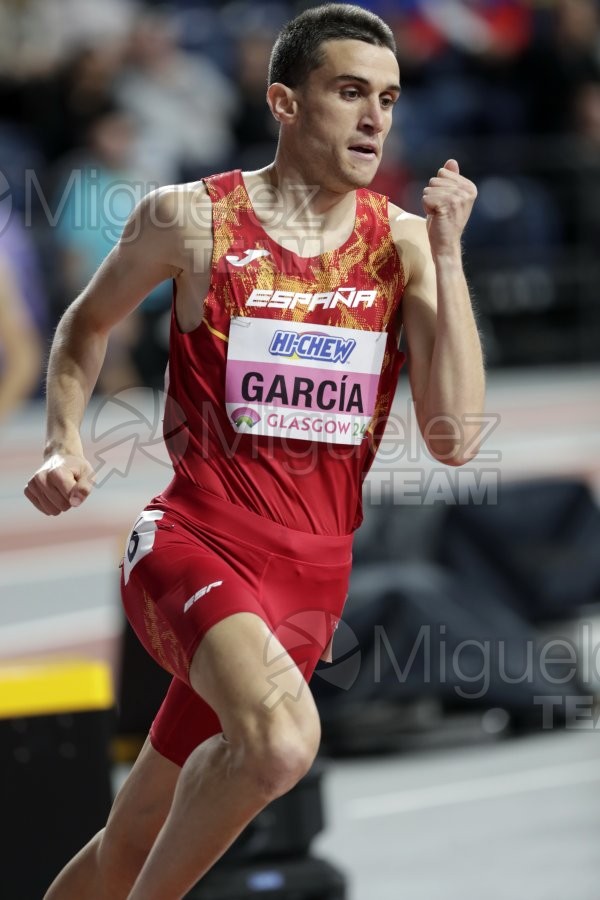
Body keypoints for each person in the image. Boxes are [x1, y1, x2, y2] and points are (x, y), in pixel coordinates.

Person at [24, 4, 484, 898]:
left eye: (388, 98)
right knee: (281, 742)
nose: (374, 118)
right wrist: (62, 441)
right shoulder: (192, 220)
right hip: (193, 544)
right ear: (284, 100)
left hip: (313, 583)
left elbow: (455, 436)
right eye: (349, 91)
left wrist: (450, 254)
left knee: (129, 841)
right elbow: (84, 325)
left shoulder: (400, 245)